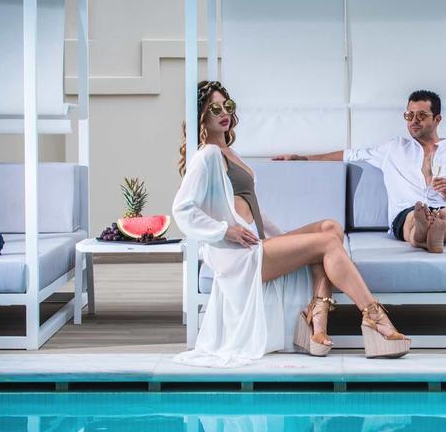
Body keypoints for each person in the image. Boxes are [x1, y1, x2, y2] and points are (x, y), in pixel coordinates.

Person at [172, 81, 409, 367]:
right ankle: (373, 317)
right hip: (240, 256)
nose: (224, 113)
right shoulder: (207, 155)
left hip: (256, 243)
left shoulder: (230, 153)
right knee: (326, 243)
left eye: (228, 106)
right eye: (215, 108)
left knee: (329, 228)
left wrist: (287, 241)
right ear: (202, 116)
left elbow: (255, 209)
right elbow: (182, 209)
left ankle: (316, 319)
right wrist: (225, 231)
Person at [273, 90, 446, 253]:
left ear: (437, 119)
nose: (414, 121)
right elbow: (351, 154)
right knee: (415, 216)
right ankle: (429, 231)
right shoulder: (393, 149)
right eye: (409, 115)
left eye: (422, 115)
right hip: (410, 211)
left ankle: (437, 229)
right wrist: (303, 158)